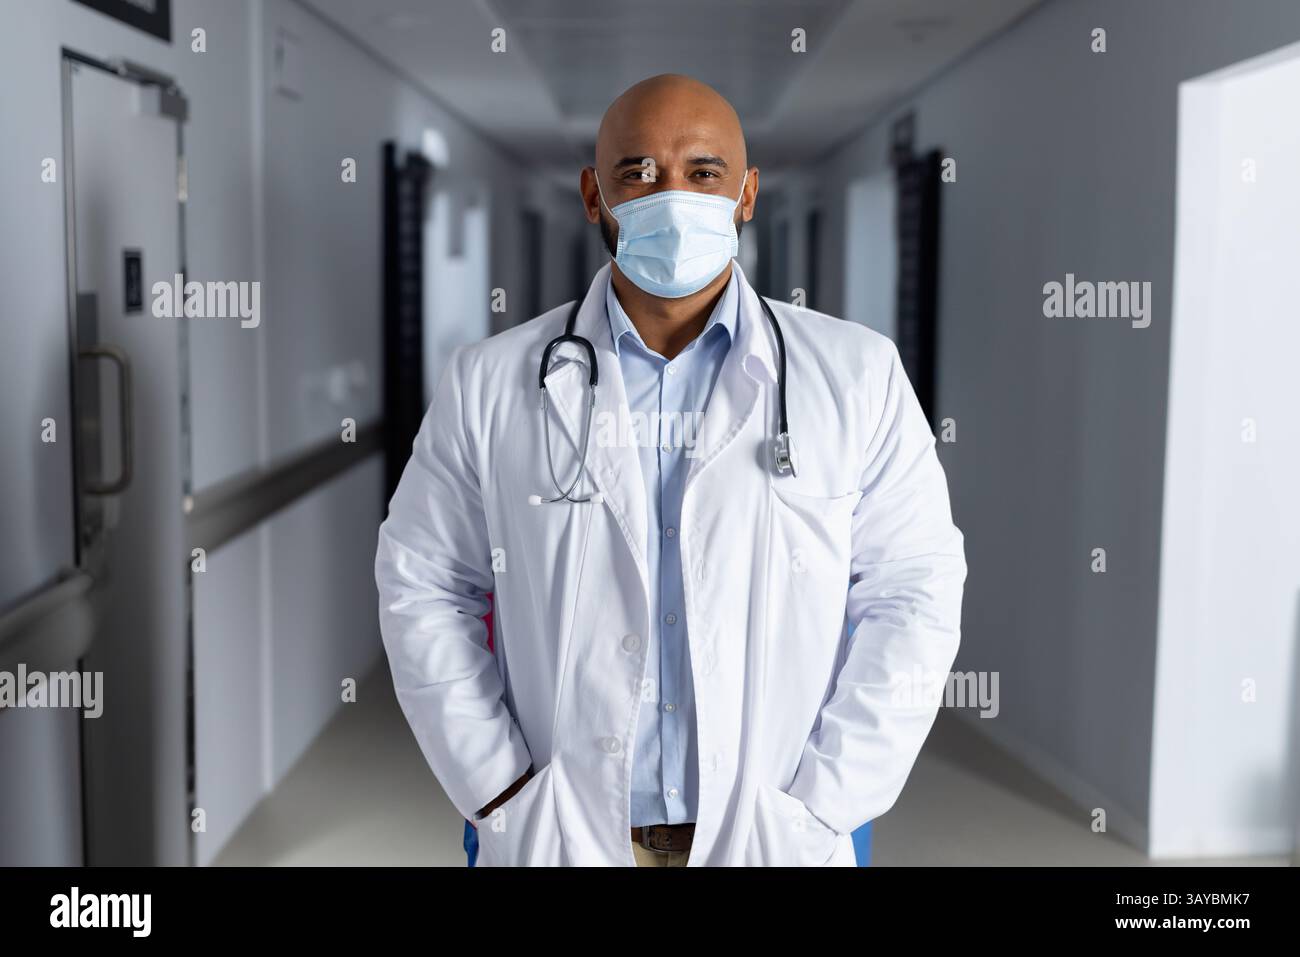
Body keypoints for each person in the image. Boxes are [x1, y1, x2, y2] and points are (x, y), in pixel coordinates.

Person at [375, 74, 966, 867]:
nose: (672, 195)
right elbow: (423, 582)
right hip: (561, 824)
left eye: (703, 172)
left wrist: (828, 802)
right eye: (639, 172)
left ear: (747, 193)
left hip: (779, 827)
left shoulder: (856, 376)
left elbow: (915, 592)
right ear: (595, 195)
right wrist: (500, 790)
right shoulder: (490, 380)